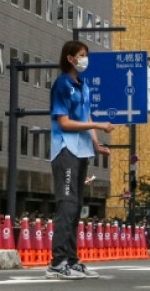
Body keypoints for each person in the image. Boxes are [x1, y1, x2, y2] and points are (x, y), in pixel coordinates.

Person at [46, 40, 114, 280]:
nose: (86, 59)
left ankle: (72, 261)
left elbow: (86, 114)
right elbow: (64, 122)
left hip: (82, 152)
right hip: (65, 151)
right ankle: (57, 263)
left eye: (86, 55)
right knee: (66, 205)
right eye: (82, 55)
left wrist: (97, 145)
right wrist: (97, 125)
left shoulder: (82, 85)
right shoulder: (62, 85)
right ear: (70, 58)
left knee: (75, 209)